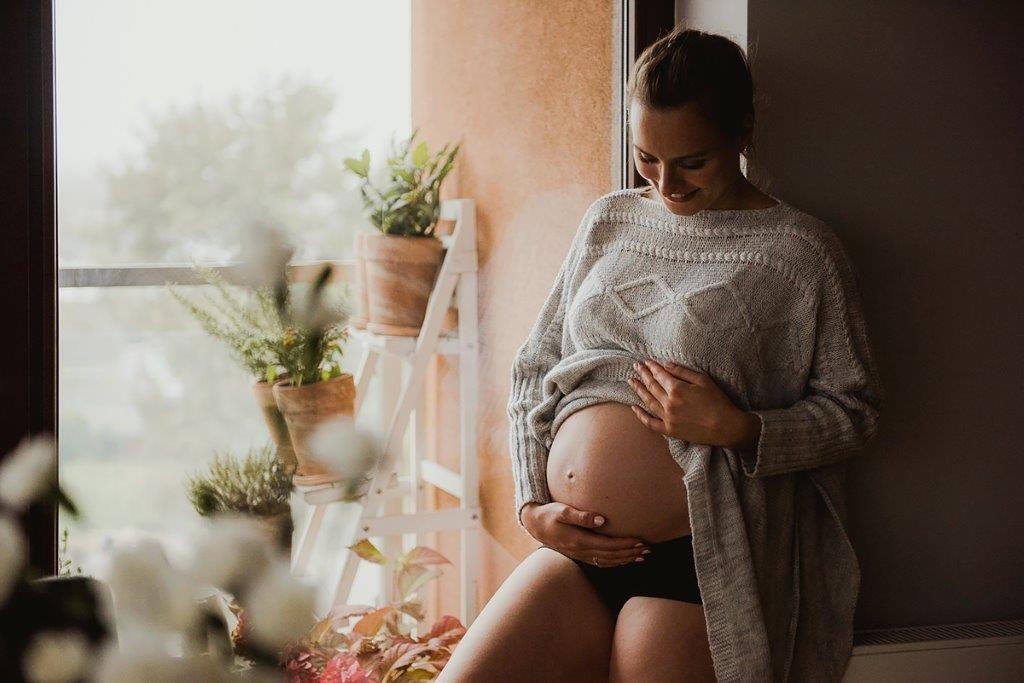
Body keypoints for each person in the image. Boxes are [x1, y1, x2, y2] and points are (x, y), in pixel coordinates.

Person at [438, 23, 884, 683]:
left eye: (692, 161)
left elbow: (856, 414)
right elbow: (534, 370)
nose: (667, 184)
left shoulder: (799, 253)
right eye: (647, 157)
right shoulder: (608, 220)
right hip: (576, 555)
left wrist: (739, 427)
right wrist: (535, 504)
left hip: (695, 568)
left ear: (742, 131)